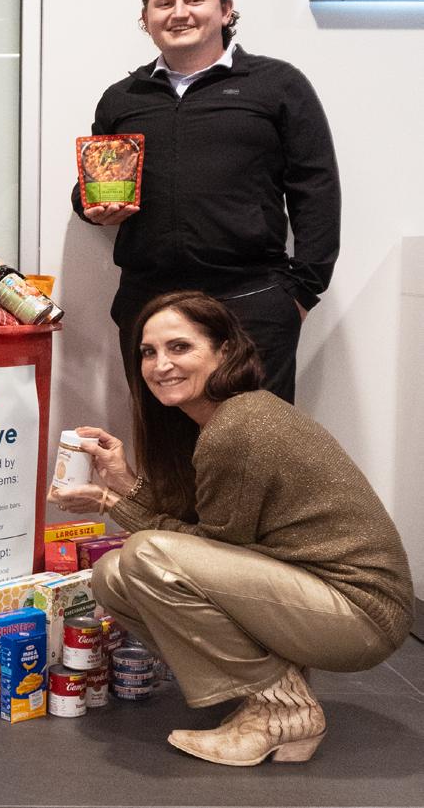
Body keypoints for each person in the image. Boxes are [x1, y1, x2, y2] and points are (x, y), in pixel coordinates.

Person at [48, 291, 412, 766]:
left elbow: (203, 548)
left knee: (144, 557)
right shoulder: (221, 419)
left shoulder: (238, 426)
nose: (161, 365)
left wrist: (106, 502)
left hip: (360, 615)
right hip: (315, 594)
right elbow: (200, 538)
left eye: (180, 347)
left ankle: (281, 711)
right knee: (113, 575)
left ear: (224, 351)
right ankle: (275, 700)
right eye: (149, 352)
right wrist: (123, 481)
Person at [71, 0, 341, 403]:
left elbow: (316, 188)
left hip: (252, 301)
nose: (179, 13)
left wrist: (301, 291)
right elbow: (89, 187)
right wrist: (93, 209)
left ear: (226, 10)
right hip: (149, 303)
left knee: (255, 439)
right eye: (164, 3)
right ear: (146, 18)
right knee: (162, 439)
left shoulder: (277, 85)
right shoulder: (123, 99)